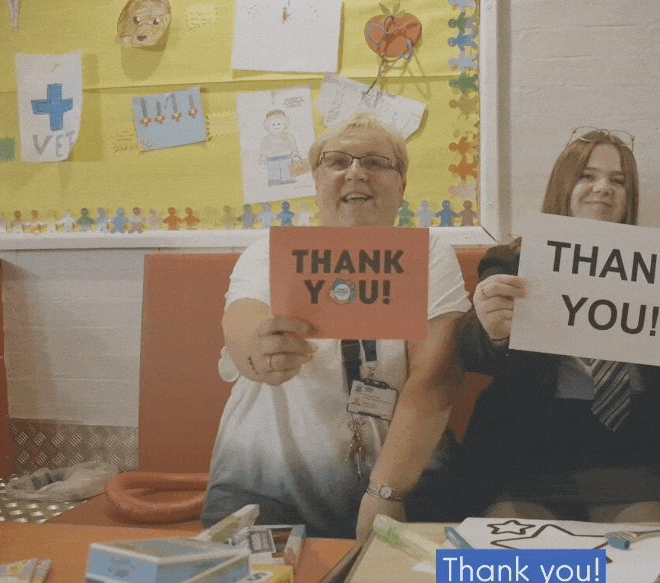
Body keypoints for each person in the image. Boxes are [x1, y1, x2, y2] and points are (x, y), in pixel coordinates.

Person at [201, 112, 472, 540]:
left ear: (401, 186)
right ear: (316, 180)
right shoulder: (268, 251)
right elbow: (239, 320)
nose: (355, 173)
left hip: (404, 473)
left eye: (376, 162)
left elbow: (436, 376)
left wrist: (387, 492)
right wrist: (259, 348)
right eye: (337, 161)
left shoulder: (431, 255)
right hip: (262, 479)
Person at [455, 128, 660, 522]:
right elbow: (470, 350)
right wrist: (491, 331)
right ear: (563, 184)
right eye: (587, 175)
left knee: (645, 562)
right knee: (517, 573)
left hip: (637, 455)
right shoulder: (512, 260)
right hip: (531, 455)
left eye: (618, 180)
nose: (603, 188)